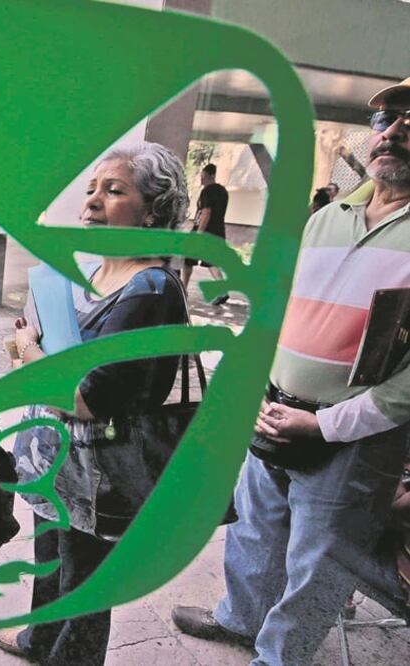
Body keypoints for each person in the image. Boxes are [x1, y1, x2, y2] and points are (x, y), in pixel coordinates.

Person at [172, 75, 410, 666]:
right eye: (386, 120)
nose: (395, 133)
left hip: (354, 437)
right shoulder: (329, 216)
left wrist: (326, 427)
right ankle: (241, 618)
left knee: (322, 561)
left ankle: (282, 656)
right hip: (277, 406)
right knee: (256, 526)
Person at [0, 142, 190, 666]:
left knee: (84, 585)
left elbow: (87, 397)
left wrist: (32, 353)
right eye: (91, 190)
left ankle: (69, 657)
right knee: (50, 561)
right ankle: (39, 641)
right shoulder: (91, 271)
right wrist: (33, 346)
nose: (91, 202)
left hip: (98, 474)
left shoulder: (149, 287)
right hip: (54, 462)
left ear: (153, 209)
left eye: (114, 189)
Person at [181, 163, 230, 305]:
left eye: (204, 177)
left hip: (204, 231)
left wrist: (199, 233)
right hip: (218, 232)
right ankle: (223, 290)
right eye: (201, 177)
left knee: (188, 259)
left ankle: (183, 289)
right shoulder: (223, 191)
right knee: (211, 262)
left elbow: (206, 212)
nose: (202, 180)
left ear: (211, 176)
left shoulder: (208, 191)